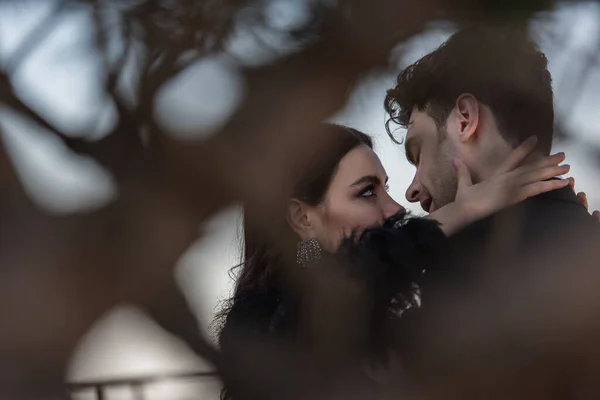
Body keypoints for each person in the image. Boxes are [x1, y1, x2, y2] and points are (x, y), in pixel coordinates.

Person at [214, 122, 570, 400]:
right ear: (302, 218)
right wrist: (463, 209)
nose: (396, 207)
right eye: (367, 192)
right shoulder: (262, 324)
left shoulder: (380, 325)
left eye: (385, 187)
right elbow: (358, 279)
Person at [378, 25, 600, 396]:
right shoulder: (584, 242)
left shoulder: (462, 279)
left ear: (464, 119)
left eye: (418, 153)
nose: (411, 191)